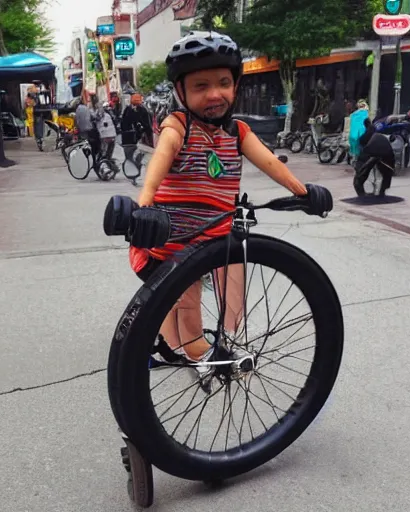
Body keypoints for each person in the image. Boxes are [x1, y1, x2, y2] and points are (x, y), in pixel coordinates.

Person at [128, 32, 330, 388]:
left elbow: (269, 161)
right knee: (186, 300)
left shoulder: (237, 132)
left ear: (236, 84)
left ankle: (165, 344)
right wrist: (143, 206)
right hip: (173, 242)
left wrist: (303, 192)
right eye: (201, 85)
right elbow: (158, 162)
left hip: (212, 240)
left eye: (224, 83)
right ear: (181, 92)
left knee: (183, 301)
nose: (215, 94)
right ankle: (201, 356)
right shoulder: (179, 126)